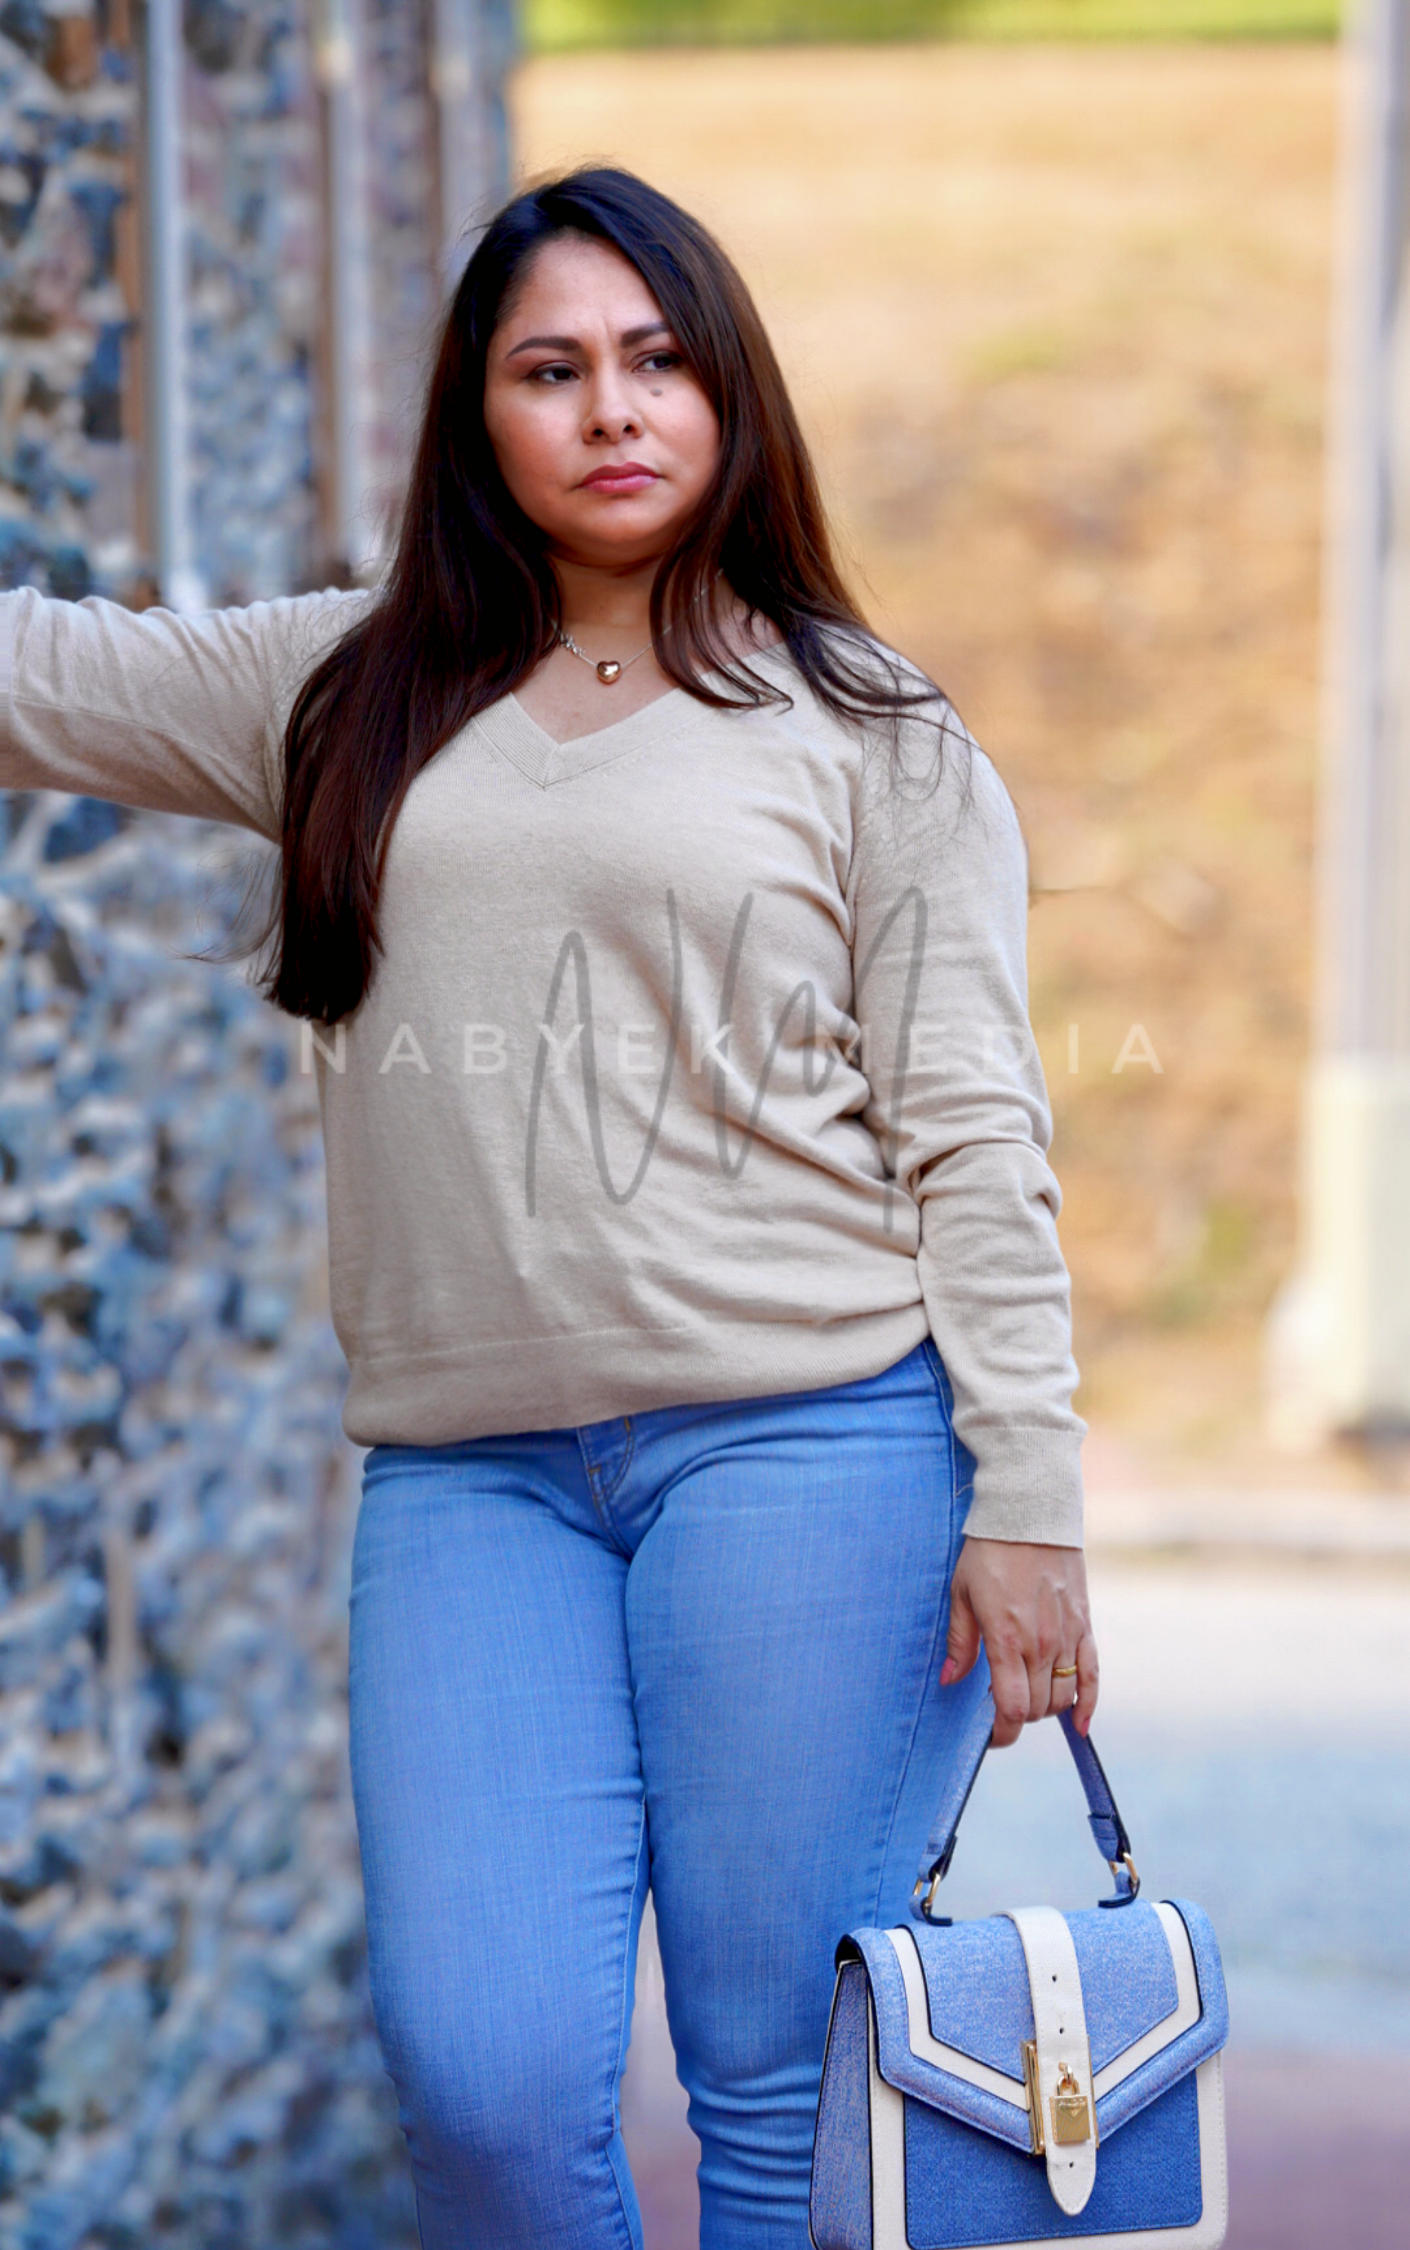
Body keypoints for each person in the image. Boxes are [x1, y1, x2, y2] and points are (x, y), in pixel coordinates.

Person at [0, 169, 1096, 2250]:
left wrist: (1028, 1495)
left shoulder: (872, 734)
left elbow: (976, 1132)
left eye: (659, 359)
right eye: (552, 369)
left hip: (815, 1459)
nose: (615, 408)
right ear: (477, 421)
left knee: (781, 2097)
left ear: (730, 393)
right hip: (470, 1492)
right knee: (485, 2087)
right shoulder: (344, 687)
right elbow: (39, 675)